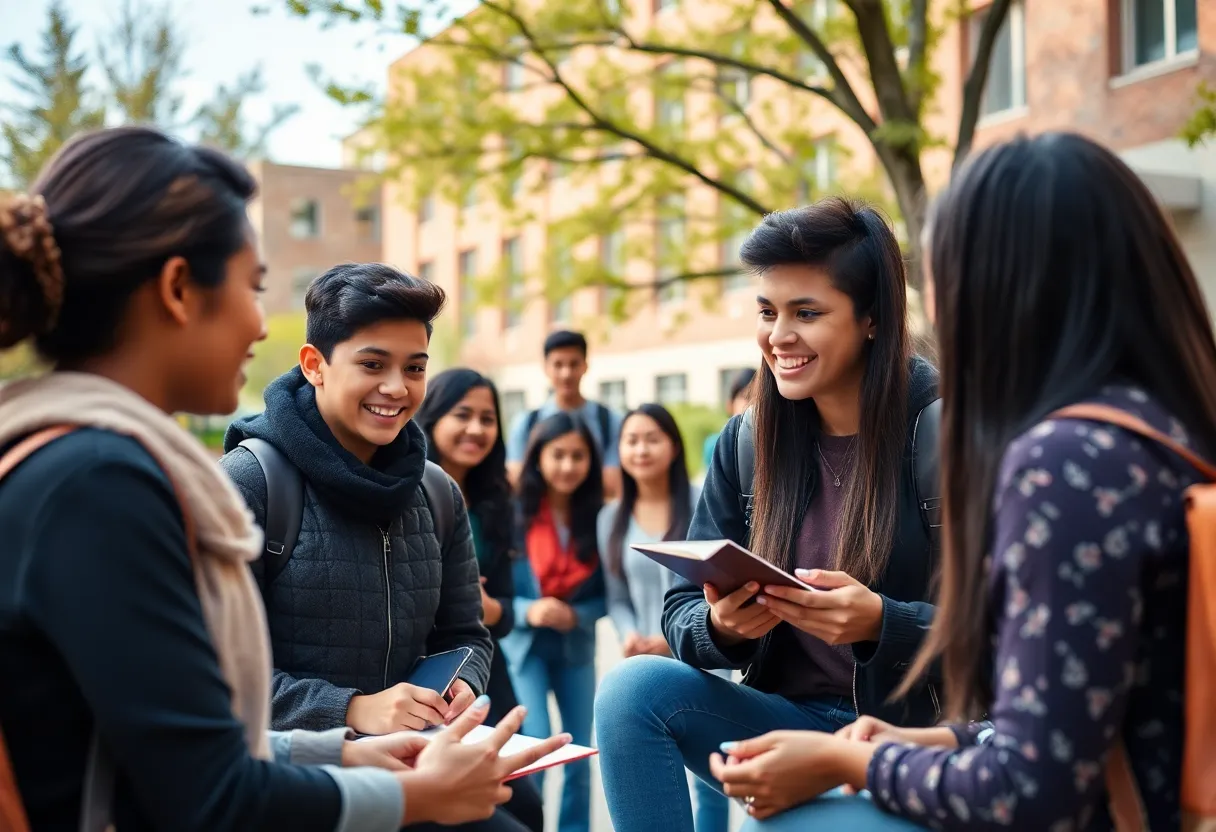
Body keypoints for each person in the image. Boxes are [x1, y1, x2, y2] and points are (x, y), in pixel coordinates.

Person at [0, 126, 568, 831]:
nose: (256, 325)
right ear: (179, 289)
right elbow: (208, 796)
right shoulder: (98, 484)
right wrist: (406, 792)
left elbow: (180, 750)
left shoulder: (77, 466)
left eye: (414, 366)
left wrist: (355, 754)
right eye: (252, 286)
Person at [714, 132, 1211, 830]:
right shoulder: (1169, 432)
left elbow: (1032, 789)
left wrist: (848, 764)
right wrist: (941, 739)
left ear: (1004, 289)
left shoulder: (1066, 466)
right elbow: (1081, 716)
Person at [595, 198, 943, 832]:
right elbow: (680, 614)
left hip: (915, 739)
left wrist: (881, 623)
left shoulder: (950, 434)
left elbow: (1016, 637)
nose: (778, 336)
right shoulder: (747, 441)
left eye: (806, 313)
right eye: (767, 311)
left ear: (872, 319)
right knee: (630, 691)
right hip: (789, 721)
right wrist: (726, 627)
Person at [415, 368, 545, 832]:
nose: (476, 429)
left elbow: (506, 609)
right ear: (432, 417)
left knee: (524, 800)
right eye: (463, 415)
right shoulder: (404, 489)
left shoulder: (497, 502)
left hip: (485, 667)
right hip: (422, 677)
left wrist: (486, 607)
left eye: (488, 418)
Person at [596, 403, 730, 832]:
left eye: (652, 438)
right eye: (631, 440)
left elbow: (716, 583)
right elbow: (616, 596)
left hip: (700, 652)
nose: (641, 450)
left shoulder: (700, 503)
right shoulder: (609, 519)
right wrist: (630, 634)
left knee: (714, 777)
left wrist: (667, 638)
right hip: (643, 662)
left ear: (673, 447)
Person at [501, 412, 606, 832]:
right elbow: (491, 589)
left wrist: (576, 614)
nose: (567, 465)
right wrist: (529, 609)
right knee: (538, 747)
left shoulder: (599, 518)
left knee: (581, 754)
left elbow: (611, 594)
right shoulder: (513, 515)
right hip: (525, 648)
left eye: (578, 456)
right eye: (557, 454)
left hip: (574, 647)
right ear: (538, 458)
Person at [505, 330, 623, 499]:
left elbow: (613, 485)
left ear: (585, 366)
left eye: (574, 364)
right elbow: (517, 481)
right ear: (546, 368)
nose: (566, 374)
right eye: (558, 365)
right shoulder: (526, 423)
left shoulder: (610, 421)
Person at [702, 368, 756, 473]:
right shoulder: (715, 444)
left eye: (760, 397)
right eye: (746, 396)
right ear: (730, 404)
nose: (753, 403)